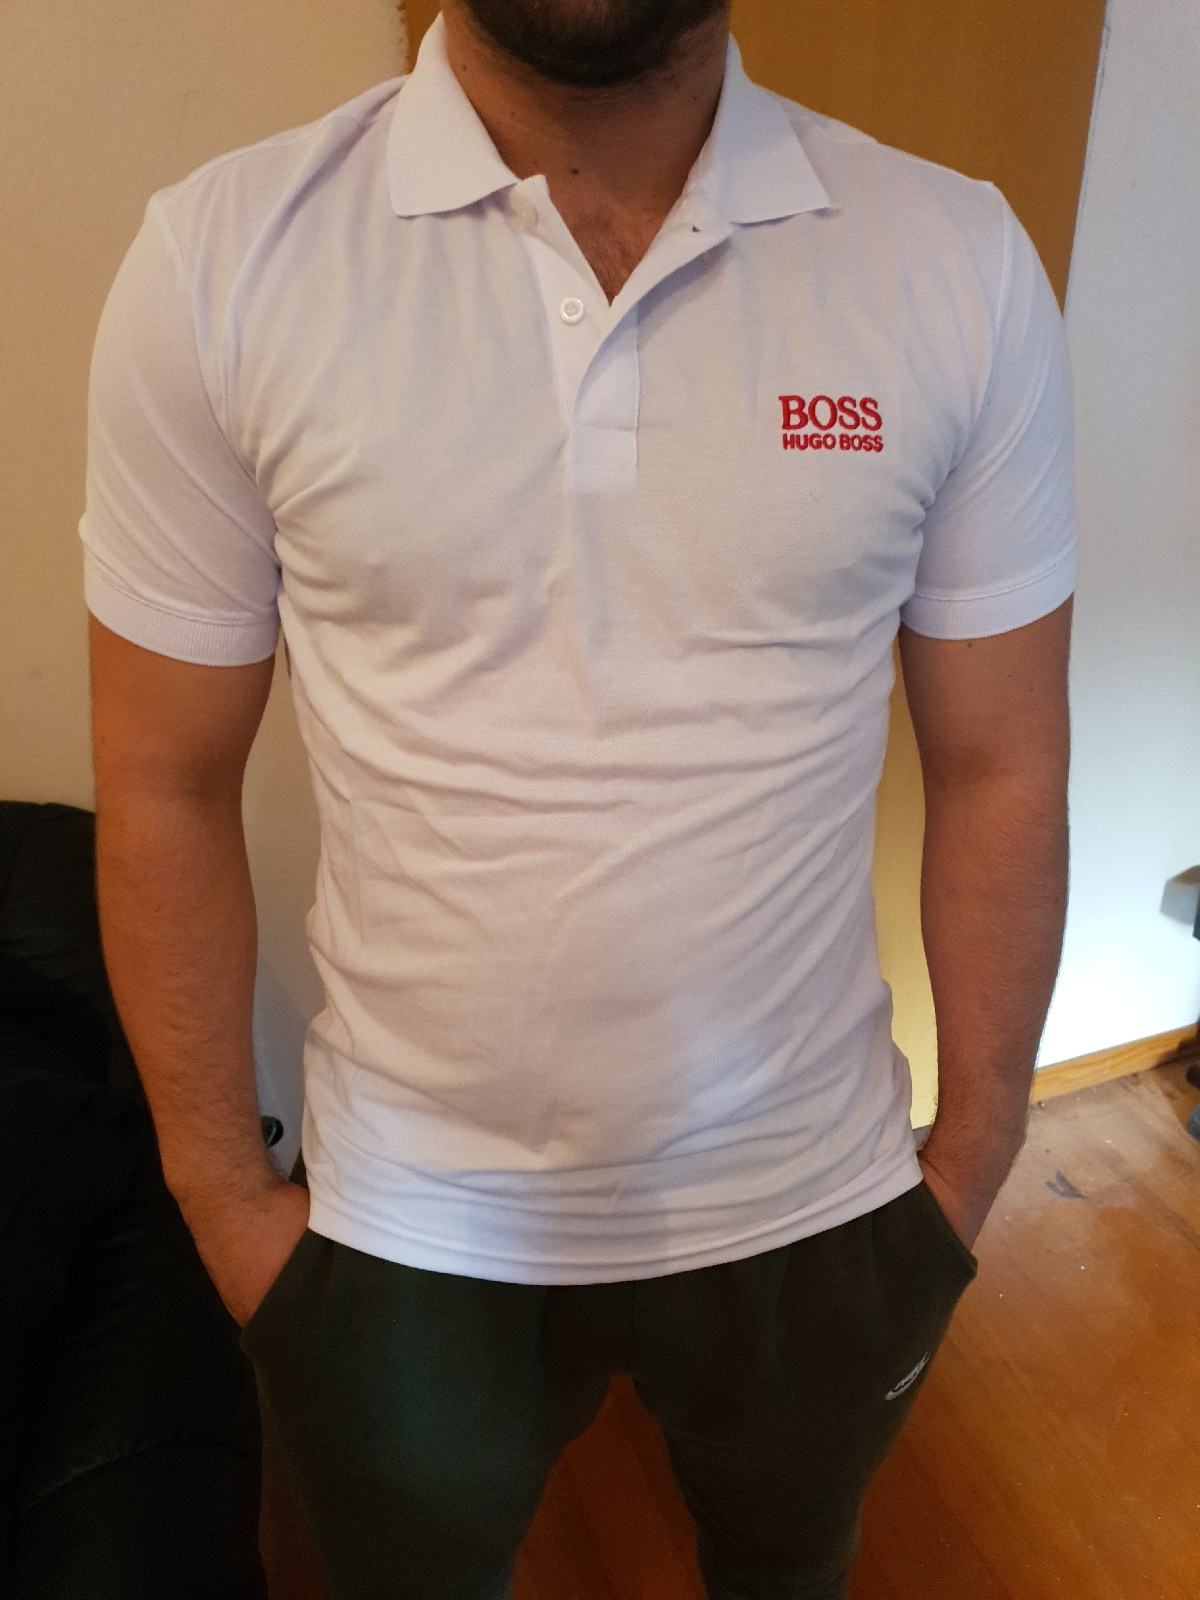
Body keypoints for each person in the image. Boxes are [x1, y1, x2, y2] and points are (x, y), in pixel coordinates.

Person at [80, 1, 1075, 1595]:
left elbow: (1002, 761)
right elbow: (161, 782)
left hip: (820, 1200)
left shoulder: (955, 259)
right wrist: (221, 1201)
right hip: (406, 1221)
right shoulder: (222, 262)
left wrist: (972, 1160)